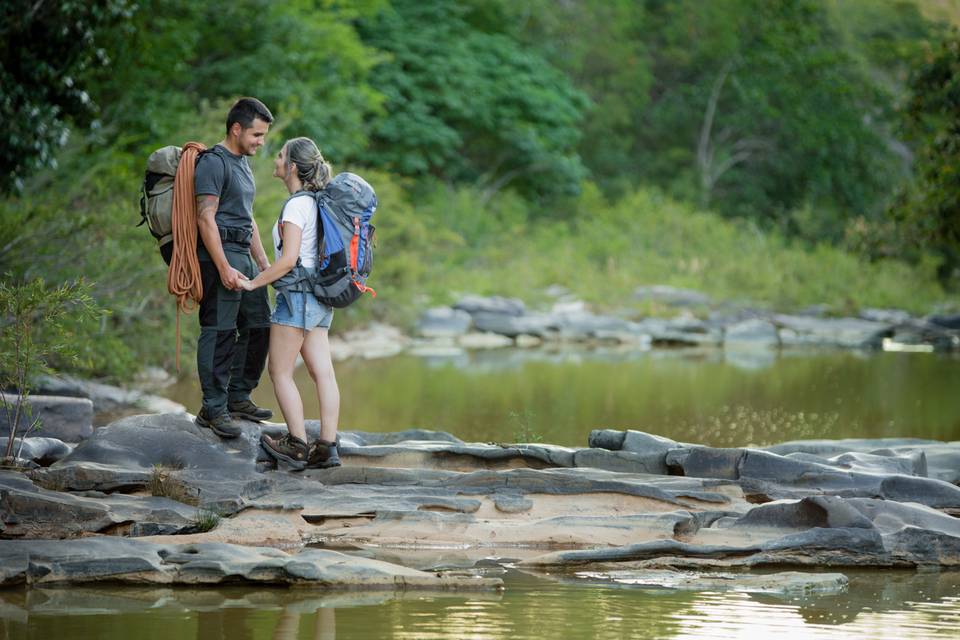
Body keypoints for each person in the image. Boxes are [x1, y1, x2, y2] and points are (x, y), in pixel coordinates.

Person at [239, 136, 341, 470]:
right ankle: (327, 447)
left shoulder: (297, 205)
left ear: (292, 167)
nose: (276, 159)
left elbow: (289, 259)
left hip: (296, 296)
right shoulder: (318, 201)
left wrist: (254, 282)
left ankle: (297, 444)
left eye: (281, 155)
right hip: (320, 297)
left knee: (279, 371)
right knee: (322, 372)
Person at [194, 97, 275, 438]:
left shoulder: (243, 163)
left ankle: (238, 397)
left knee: (259, 325)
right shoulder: (213, 163)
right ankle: (213, 408)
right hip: (219, 255)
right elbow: (204, 217)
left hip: (243, 252)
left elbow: (248, 217)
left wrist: (264, 263)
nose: (261, 142)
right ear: (236, 128)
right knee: (220, 331)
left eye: (263, 136)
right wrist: (223, 266)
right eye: (256, 135)